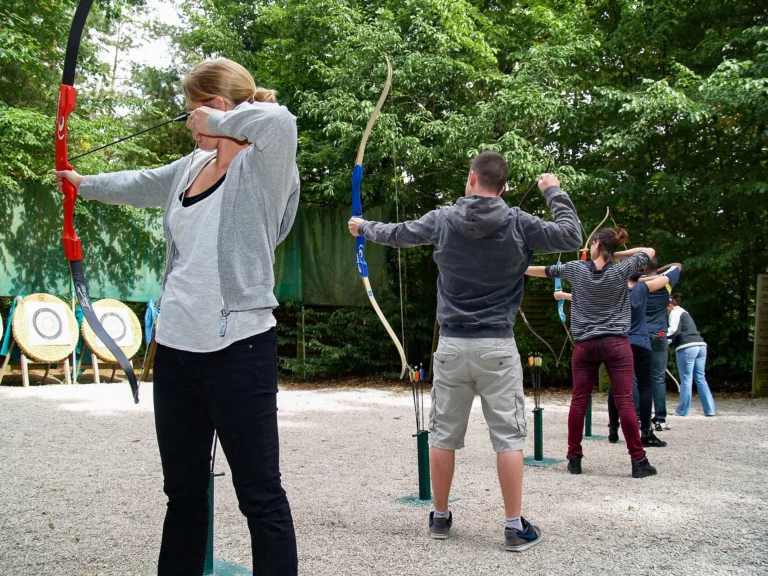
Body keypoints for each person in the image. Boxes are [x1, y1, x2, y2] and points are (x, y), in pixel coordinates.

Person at [54, 58, 300, 576]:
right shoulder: (190, 167)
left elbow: (279, 121)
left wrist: (219, 121)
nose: (190, 122)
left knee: (260, 496)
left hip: (240, 349)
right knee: (183, 494)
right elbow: (143, 183)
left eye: (197, 110)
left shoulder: (264, 166)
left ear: (224, 107)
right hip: (178, 351)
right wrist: (82, 181)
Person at [348, 150, 582, 551]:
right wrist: (553, 189)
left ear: (471, 178)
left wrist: (363, 226)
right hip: (497, 348)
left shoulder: (443, 219)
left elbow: (399, 233)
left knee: (443, 435)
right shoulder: (519, 224)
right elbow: (572, 235)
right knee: (508, 439)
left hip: (452, 346)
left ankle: (440, 518)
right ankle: (513, 527)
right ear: (503, 188)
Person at [526, 229, 658, 478]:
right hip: (617, 344)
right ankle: (638, 461)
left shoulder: (577, 268)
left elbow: (544, 270)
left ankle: (574, 459)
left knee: (579, 401)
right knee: (625, 401)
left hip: (585, 345)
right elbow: (649, 252)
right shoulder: (622, 269)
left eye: (592, 243)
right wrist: (615, 253)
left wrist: (518, 266)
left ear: (596, 244)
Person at [644, 259, 683, 431]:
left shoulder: (637, 283)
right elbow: (678, 265)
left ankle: (638, 417)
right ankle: (660, 419)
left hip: (641, 335)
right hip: (659, 334)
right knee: (658, 378)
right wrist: (660, 270)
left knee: (637, 378)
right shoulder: (665, 282)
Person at [667, 293, 715, 416]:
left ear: (670, 305)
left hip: (687, 347)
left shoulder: (675, 313)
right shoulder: (685, 312)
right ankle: (710, 410)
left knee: (686, 379)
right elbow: (678, 332)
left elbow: (673, 331)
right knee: (700, 378)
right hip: (700, 346)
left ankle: (683, 410)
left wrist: (660, 340)